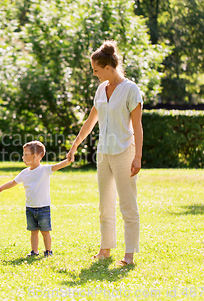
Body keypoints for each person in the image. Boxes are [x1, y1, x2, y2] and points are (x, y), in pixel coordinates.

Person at [66, 41, 143, 266]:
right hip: (104, 154)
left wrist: (138, 156)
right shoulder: (101, 89)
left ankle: (129, 254)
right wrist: (75, 145)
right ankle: (105, 248)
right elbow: (91, 121)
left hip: (124, 152)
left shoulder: (131, 89)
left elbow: (137, 127)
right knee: (105, 204)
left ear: (108, 67)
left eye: (96, 70)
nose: (95, 75)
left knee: (127, 204)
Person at [0, 140, 71, 257]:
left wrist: (68, 160)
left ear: (35, 156)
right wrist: (1, 188)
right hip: (30, 207)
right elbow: (13, 182)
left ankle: (48, 251)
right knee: (33, 231)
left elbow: (58, 166)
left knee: (45, 231)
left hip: (43, 208)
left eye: (25, 154)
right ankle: (34, 251)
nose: (22, 157)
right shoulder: (24, 173)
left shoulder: (44, 170)